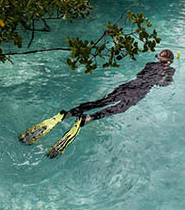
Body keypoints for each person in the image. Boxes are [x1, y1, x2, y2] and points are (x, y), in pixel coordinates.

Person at [19, 49, 176, 158]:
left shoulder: (150, 65)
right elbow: (163, 84)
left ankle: (70, 113)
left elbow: (140, 75)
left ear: (159, 58)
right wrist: (163, 75)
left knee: (103, 101)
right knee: (118, 108)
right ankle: (88, 118)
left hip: (129, 84)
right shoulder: (170, 70)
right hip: (139, 91)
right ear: (170, 61)